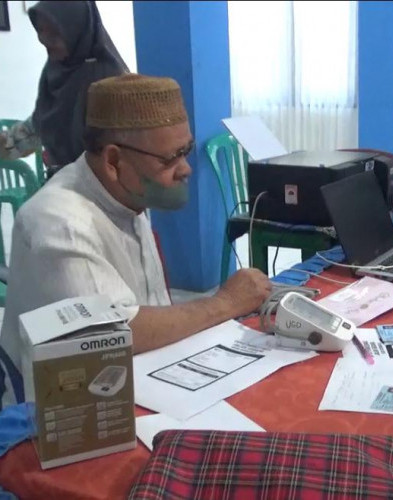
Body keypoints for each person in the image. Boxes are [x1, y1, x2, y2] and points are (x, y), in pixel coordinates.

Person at [0, 74, 272, 410]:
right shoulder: (59, 221)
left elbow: (150, 309)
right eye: (170, 158)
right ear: (113, 161)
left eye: (185, 151)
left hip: (139, 380)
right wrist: (226, 302)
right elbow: (118, 334)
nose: (186, 169)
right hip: (62, 415)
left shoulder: (124, 195)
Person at [0, 1, 127, 178]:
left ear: (75, 30)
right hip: (64, 184)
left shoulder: (107, 79)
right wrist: (8, 143)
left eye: (54, 32)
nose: (44, 40)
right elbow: (40, 126)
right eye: (41, 30)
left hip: (105, 189)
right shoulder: (57, 70)